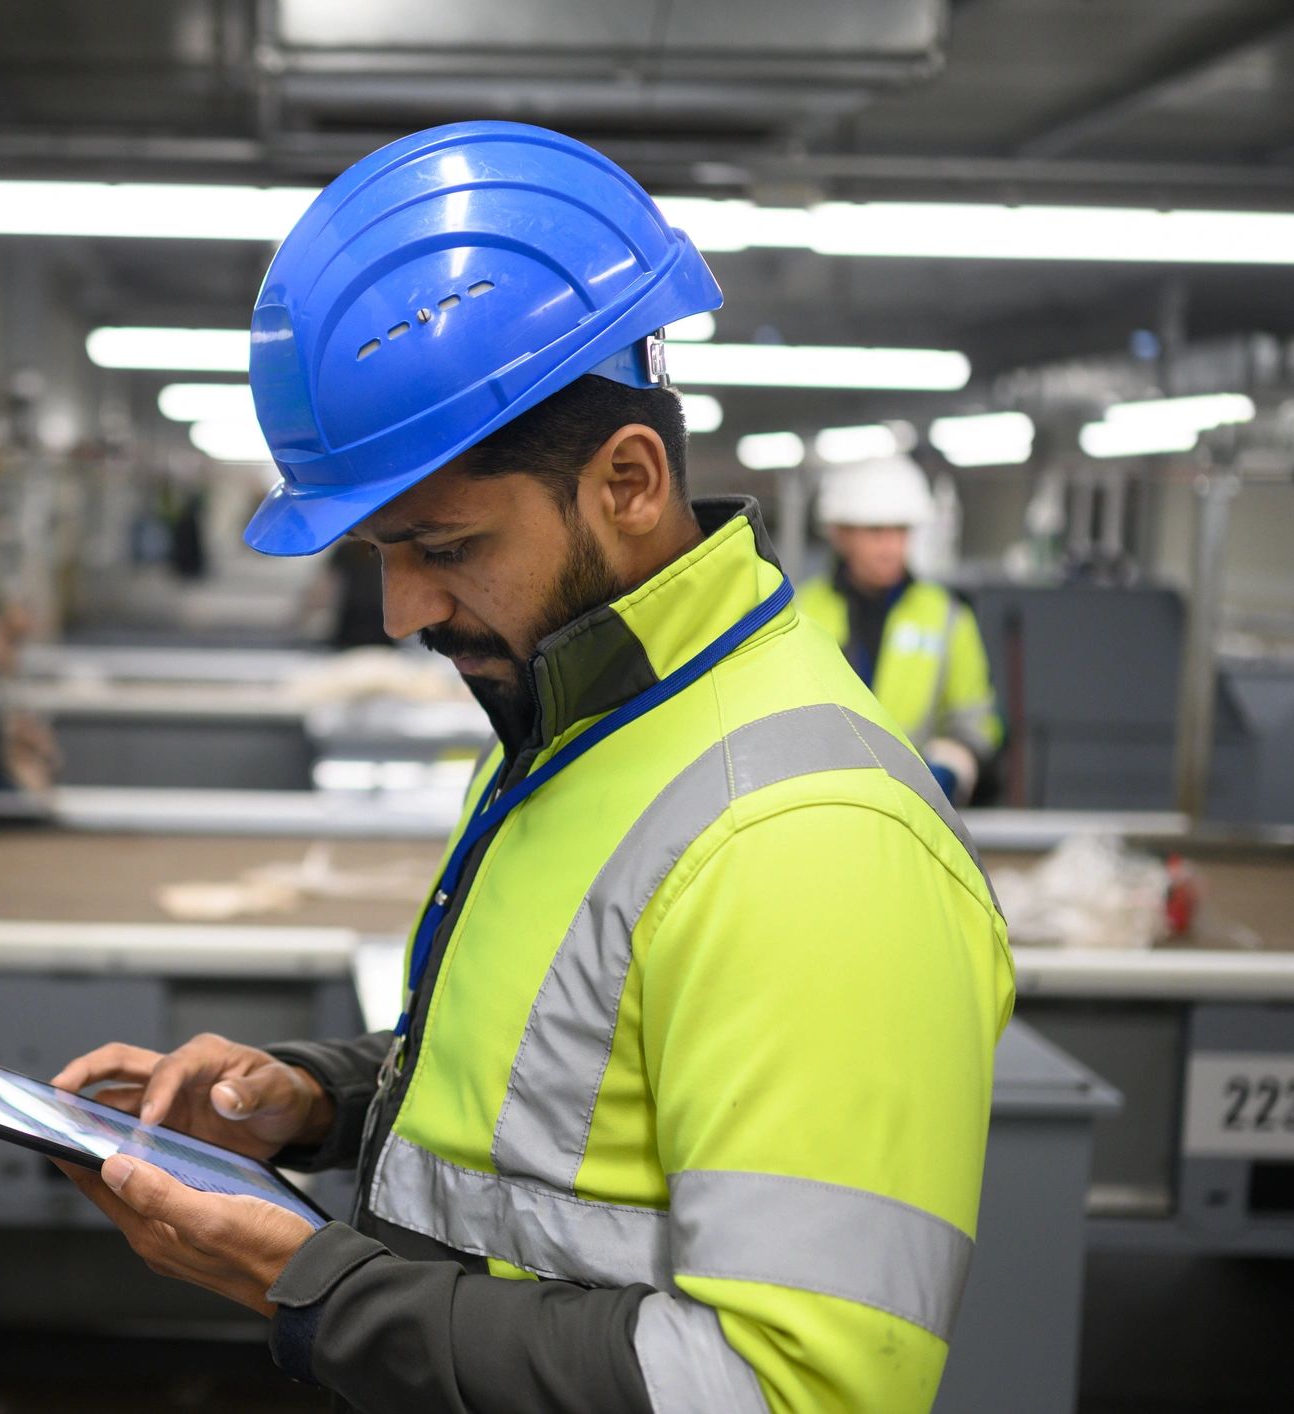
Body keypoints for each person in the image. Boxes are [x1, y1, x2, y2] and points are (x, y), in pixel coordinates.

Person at [52, 121, 1014, 1413]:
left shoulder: (810, 839)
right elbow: (560, 1092)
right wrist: (321, 1100)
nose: (398, 608)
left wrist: (323, 1285)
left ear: (627, 481)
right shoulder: (581, 717)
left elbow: (791, 1389)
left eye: (440, 544)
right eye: (378, 549)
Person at [795, 457, 1004, 804]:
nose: (891, 547)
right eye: (876, 531)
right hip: (821, 801)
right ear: (840, 533)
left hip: (915, 806)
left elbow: (976, 726)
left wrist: (950, 770)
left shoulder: (948, 617)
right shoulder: (800, 611)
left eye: (901, 530)